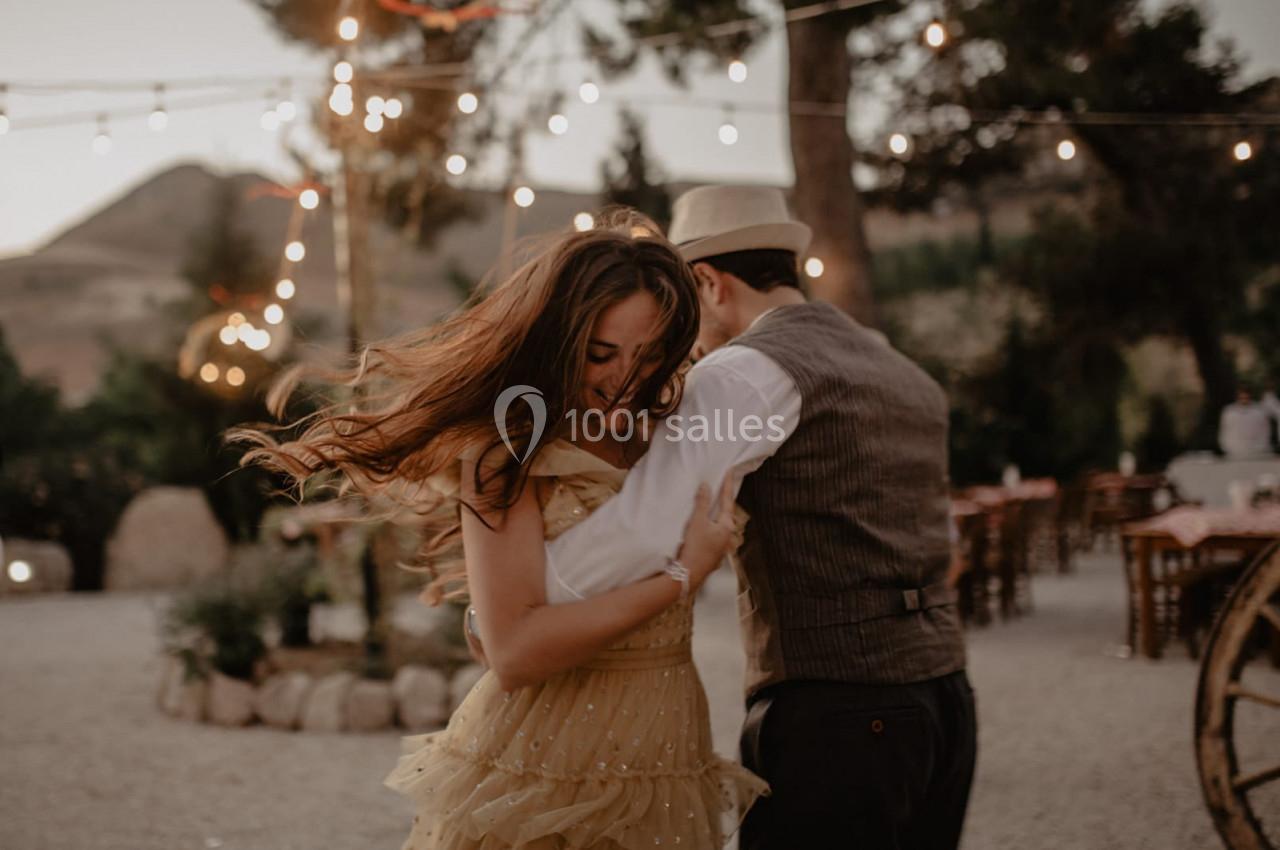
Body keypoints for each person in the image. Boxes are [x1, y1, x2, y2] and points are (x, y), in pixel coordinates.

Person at [231, 213, 766, 849]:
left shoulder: (672, 432)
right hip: (543, 761)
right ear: (559, 341)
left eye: (647, 353)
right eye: (601, 354)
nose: (625, 378)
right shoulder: (506, 452)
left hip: (665, 741)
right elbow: (513, 652)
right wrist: (683, 576)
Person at [542, 186, 977, 849]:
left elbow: (648, 525)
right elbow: (941, 540)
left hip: (838, 714)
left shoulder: (743, 372)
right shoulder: (903, 372)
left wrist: (527, 600)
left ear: (708, 285)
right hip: (946, 700)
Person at [1219, 388, 1274, 458]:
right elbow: (1224, 430)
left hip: (1257, 451)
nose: (1244, 400)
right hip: (1234, 451)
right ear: (1237, 398)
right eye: (1241, 398)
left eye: (1246, 397)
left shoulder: (1260, 411)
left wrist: (1261, 446)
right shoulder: (1229, 412)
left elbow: (1266, 431)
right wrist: (1226, 446)